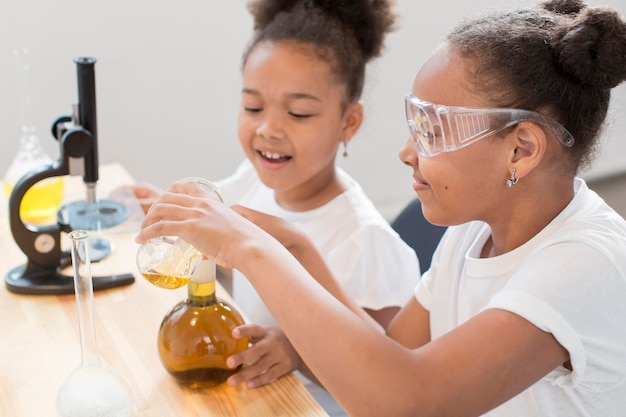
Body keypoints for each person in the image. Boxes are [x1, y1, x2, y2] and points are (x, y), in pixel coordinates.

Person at [137, 0, 626, 415]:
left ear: (520, 149)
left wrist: (252, 251)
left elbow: (404, 399)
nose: (407, 152)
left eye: (431, 132)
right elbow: (390, 351)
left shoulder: (583, 265)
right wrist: (294, 244)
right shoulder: (473, 231)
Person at [130, 0, 420, 407]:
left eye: (299, 113)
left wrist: (298, 351)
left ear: (348, 123)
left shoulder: (364, 242)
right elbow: (222, 252)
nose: (268, 128)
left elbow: (390, 377)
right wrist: (159, 203)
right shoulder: (251, 182)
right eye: (253, 106)